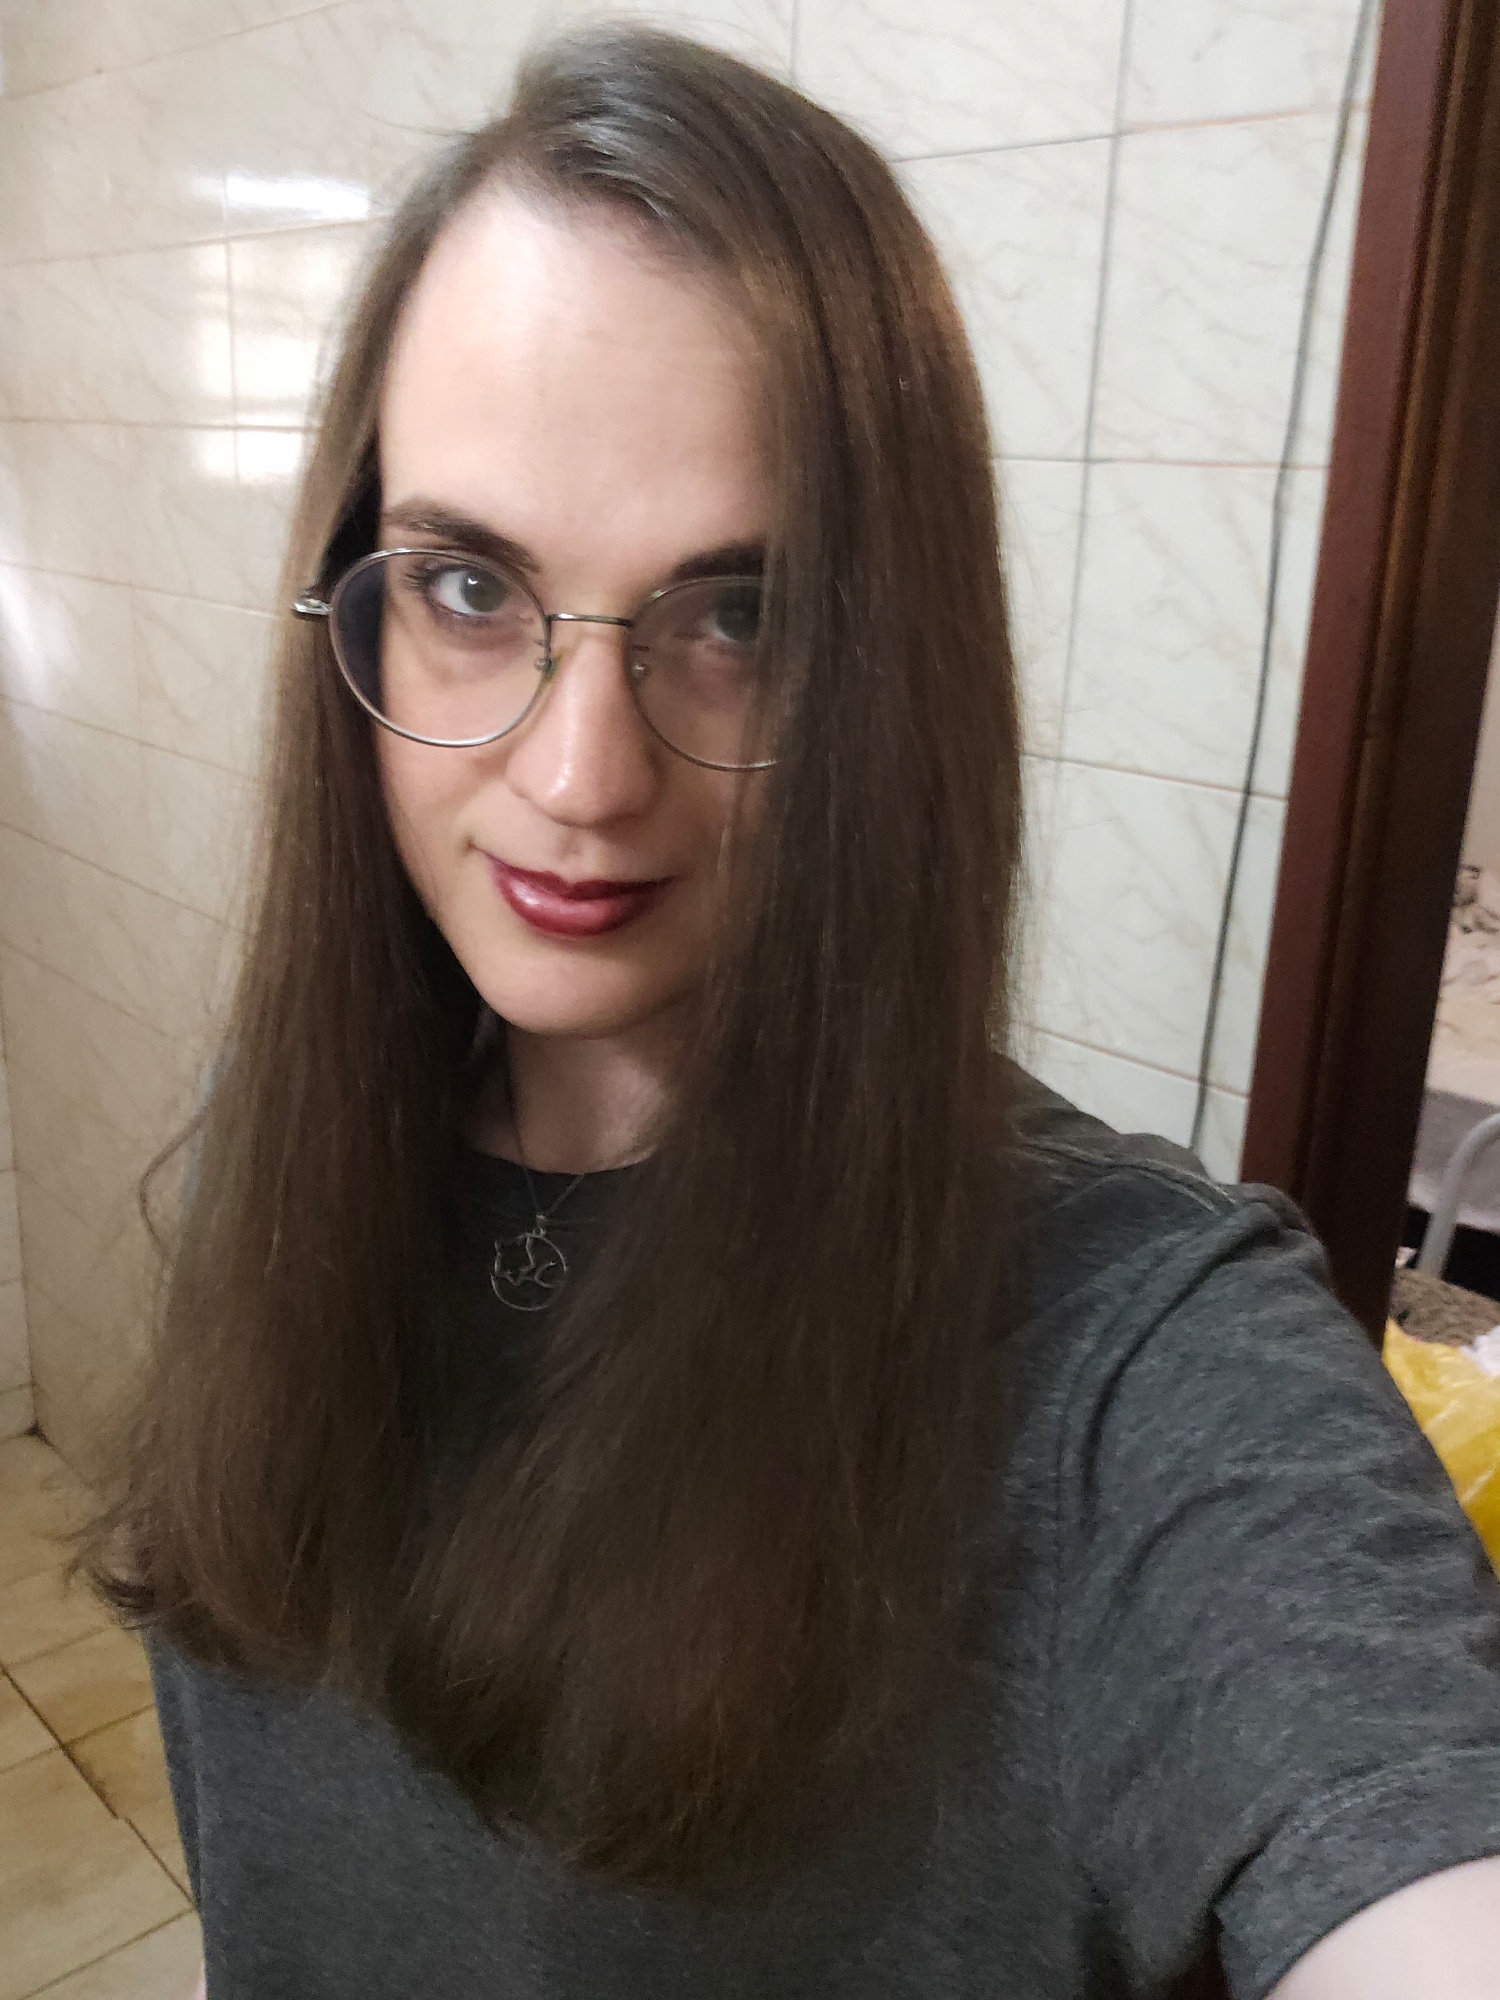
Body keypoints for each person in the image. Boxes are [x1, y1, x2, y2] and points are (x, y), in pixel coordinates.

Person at [86, 27, 1500, 2000]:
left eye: (737, 618)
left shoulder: (1131, 1365)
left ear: (890, 673)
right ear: (359, 603)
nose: (578, 776)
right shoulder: (294, 1132)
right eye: (471, 586)